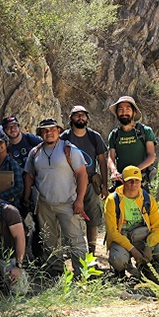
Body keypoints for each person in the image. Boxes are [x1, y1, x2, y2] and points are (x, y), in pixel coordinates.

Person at [23, 118, 89, 277]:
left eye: (52, 129)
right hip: (44, 203)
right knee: (49, 240)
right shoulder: (35, 152)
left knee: (75, 239)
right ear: (40, 133)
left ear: (59, 131)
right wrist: (27, 198)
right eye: (45, 130)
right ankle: (54, 272)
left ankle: (82, 274)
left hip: (68, 203)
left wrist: (80, 200)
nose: (49, 133)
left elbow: (82, 174)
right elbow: (29, 176)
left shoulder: (69, 150)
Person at [104, 166, 159, 280]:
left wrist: (149, 247)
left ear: (141, 181)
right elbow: (112, 232)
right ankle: (121, 274)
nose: (133, 184)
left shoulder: (148, 199)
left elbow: (157, 228)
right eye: (130, 181)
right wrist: (133, 250)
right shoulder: (112, 200)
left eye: (137, 180)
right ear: (123, 181)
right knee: (118, 260)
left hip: (143, 239)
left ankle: (147, 269)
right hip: (122, 240)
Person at [60, 105, 109, 255]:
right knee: (68, 217)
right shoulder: (65, 137)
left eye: (83, 115)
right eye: (77, 115)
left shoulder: (94, 137)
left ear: (87, 118)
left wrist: (105, 185)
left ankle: (91, 252)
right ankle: (71, 251)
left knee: (93, 219)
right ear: (71, 119)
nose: (80, 118)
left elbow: (102, 161)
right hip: (70, 183)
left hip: (91, 184)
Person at [106, 96, 157, 189]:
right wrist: (114, 171)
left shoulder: (145, 131)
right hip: (121, 182)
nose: (124, 112)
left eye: (127, 109)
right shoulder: (114, 135)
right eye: (120, 110)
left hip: (140, 182)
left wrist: (135, 171)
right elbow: (111, 157)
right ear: (117, 113)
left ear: (134, 112)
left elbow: (151, 156)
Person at [0, 133, 24, 209]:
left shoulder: (12, 164)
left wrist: (0, 196)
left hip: (8, 205)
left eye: (0, 142)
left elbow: (19, 187)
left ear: (7, 144)